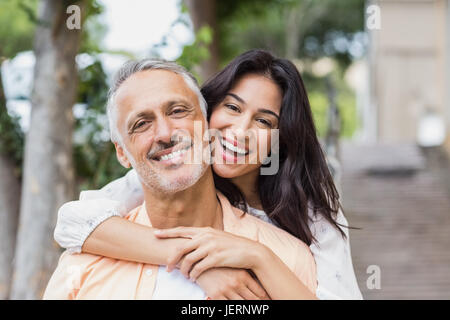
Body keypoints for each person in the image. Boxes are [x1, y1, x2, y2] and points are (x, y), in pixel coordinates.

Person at [54, 50, 362, 299]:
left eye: (264, 122)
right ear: (208, 112)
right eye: (232, 107)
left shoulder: (311, 216)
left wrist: (259, 257)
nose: (240, 132)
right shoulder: (160, 173)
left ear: (281, 141)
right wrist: (196, 262)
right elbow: (73, 223)